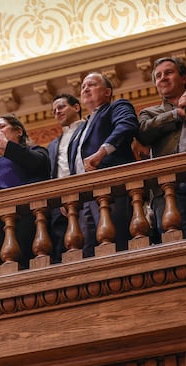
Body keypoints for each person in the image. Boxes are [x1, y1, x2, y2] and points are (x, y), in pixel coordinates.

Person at [0, 115, 50, 271]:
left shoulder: (34, 151)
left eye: (2, 127)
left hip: (25, 216)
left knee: (23, 261)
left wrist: (6, 145)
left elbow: (39, 165)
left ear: (18, 131)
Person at [68, 72, 138, 257]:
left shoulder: (116, 107)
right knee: (89, 250)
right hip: (85, 198)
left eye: (91, 84)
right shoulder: (80, 129)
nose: (85, 89)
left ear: (107, 92)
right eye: (83, 87)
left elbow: (127, 125)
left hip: (112, 189)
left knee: (117, 244)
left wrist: (101, 153)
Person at [137, 57, 186, 237]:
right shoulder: (150, 113)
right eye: (158, 76)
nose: (163, 78)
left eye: (169, 73)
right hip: (169, 190)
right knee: (175, 243)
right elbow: (143, 133)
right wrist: (176, 114)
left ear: (184, 78)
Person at [48, 94, 84, 262]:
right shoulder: (53, 145)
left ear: (76, 107)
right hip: (60, 206)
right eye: (54, 111)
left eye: (61, 107)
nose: (57, 112)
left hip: (86, 195)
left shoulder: (88, 128)